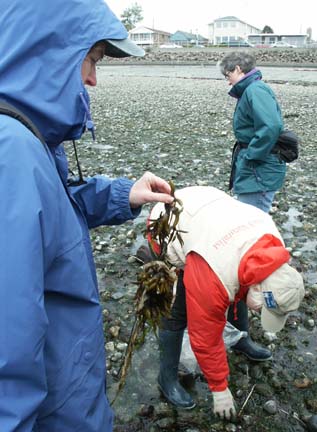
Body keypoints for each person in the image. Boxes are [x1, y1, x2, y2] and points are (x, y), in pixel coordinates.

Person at [0, 1, 174, 431]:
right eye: (92, 58)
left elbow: (55, 210)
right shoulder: (11, 153)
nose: (93, 79)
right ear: (46, 50)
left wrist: (122, 195)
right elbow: (7, 358)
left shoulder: (27, 139)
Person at [146, 186, 305, 419]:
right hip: (169, 222)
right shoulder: (213, 275)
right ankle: (166, 378)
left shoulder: (273, 245)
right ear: (261, 289)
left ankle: (241, 339)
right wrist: (219, 388)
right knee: (177, 312)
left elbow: (242, 283)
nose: (262, 312)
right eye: (265, 308)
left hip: (208, 210)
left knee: (236, 285)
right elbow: (204, 339)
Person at [219, 51, 286, 360]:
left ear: (237, 69)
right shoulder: (252, 90)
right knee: (246, 238)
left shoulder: (255, 90)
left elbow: (271, 126)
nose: (227, 80)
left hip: (258, 172)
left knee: (248, 242)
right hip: (255, 171)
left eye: (227, 75)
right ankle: (240, 313)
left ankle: (243, 314)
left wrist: (251, 155)